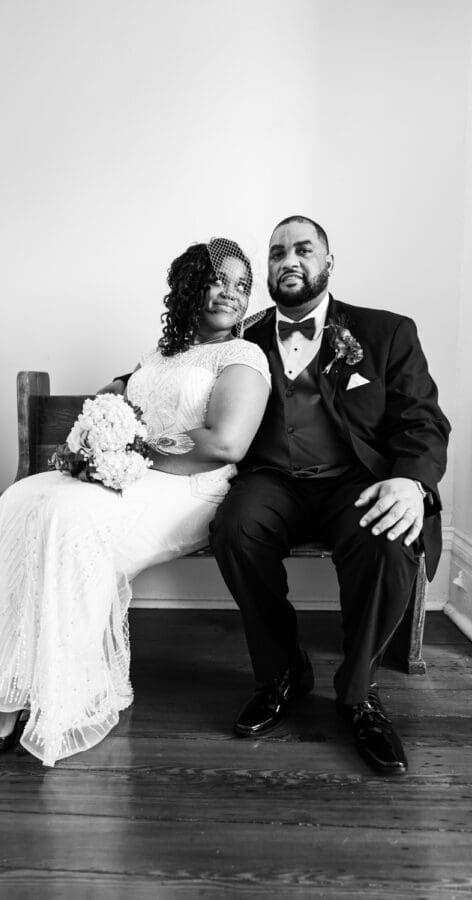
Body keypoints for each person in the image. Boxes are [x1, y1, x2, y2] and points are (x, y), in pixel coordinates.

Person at [0, 238, 271, 767]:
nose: (231, 293)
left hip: (192, 488)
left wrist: (131, 448)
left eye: (242, 286)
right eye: (219, 279)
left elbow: (226, 444)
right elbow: (113, 400)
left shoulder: (242, 355)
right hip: (136, 474)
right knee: (23, 498)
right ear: (189, 285)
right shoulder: (159, 354)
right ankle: (9, 683)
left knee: (68, 517)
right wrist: (93, 441)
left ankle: (22, 709)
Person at [209, 216, 450, 775]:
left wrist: (411, 481)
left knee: (391, 538)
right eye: (276, 253)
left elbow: (422, 420)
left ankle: (358, 692)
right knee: (235, 527)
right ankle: (283, 672)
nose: (288, 261)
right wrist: (126, 385)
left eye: (302, 250)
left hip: (354, 480)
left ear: (328, 264)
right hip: (272, 478)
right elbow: (183, 367)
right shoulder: (240, 338)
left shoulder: (387, 332)